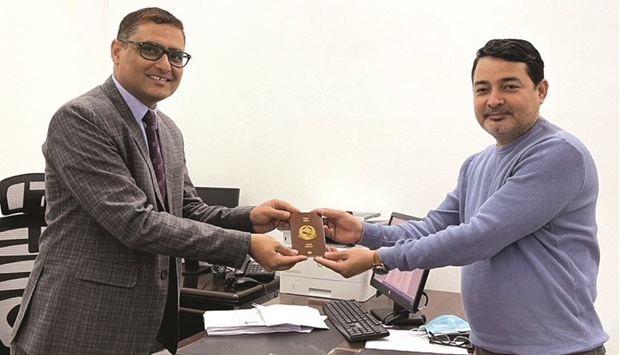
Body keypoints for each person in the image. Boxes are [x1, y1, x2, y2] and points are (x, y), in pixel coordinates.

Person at [9, 7, 307, 355]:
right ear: (117, 51)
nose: (165, 65)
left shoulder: (166, 130)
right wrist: (244, 246)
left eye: (176, 55)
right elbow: (136, 224)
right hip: (78, 326)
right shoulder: (81, 118)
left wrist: (250, 218)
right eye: (150, 49)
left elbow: (188, 210)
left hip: (144, 324)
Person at [314, 39, 608, 355]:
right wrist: (363, 233)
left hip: (556, 350)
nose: (494, 100)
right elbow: (431, 228)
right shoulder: (476, 164)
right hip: (488, 346)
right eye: (482, 89)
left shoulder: (557, 154)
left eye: (509, 86)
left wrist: (376, 259)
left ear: (541, 90)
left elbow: (478, 238)